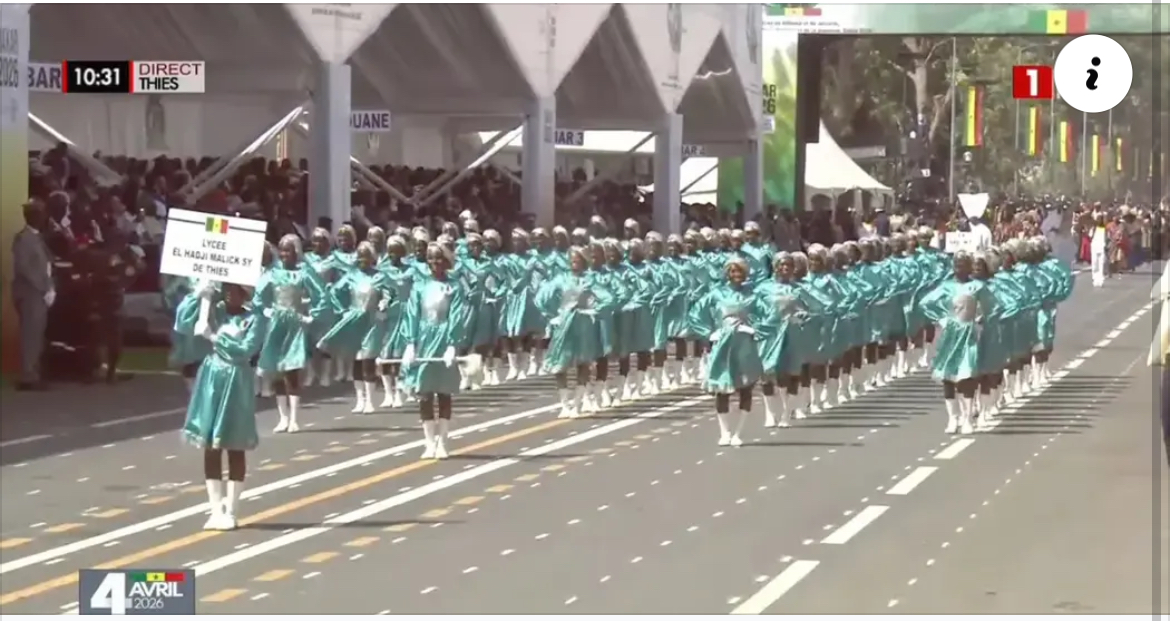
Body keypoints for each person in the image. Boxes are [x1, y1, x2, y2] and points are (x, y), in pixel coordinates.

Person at [183, 283, 268, 531]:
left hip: (236, 380)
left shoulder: (254, 318)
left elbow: (245, 350)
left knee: (234, 444)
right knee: (209, 445)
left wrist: (214, 337)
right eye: (226, 288)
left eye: (235, 289)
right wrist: (199, 297)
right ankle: (214, 509)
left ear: (245, 292)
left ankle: (231, 509)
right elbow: (185, 323)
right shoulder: (215, 310)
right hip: (212, 377)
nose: (230, 293)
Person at [400, 242, 471, 459]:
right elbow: (412, 314)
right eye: (431, 259)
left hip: (444, 338)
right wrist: (410, 343)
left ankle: (443, 441)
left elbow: (456, 316)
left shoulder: (455, 286)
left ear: (446, 260)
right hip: (423, 338)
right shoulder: (419, 286)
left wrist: (452, 344)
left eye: (438, 258)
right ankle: (429, 442)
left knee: (444, 392)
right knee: (424, 392)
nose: (434, 263)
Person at [11, 200, 55, 390]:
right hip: (30, 293)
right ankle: (27, 376)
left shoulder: (38, 238)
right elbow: (25, 268)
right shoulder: (23, 238)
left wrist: (50, 287)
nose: (42, 217)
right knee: (30, 334)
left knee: (37, 333)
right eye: (38, 214)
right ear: (30, 216)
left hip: (40, 292)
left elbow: (47, 266)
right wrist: (44, 288)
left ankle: (34, 372)